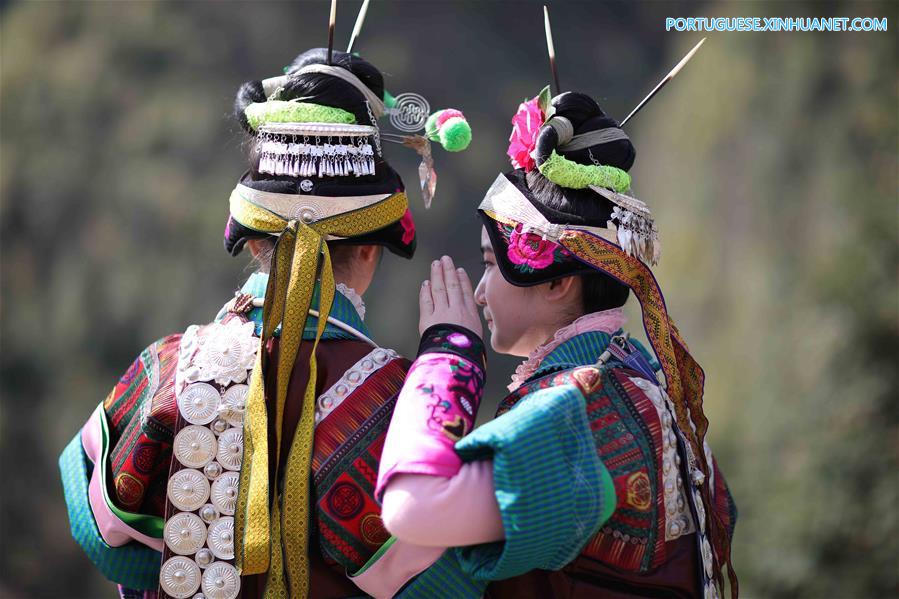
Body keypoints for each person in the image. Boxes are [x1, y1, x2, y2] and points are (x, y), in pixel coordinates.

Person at [59, 47, 470, 599]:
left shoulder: (167, 366)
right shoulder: (396, 399)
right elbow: (445, 578)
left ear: (253, 242)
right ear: (371, 250)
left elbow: (102, 531)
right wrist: (452, 359)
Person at [363, 90, 738, 598]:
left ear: (558, 281)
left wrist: (447, 355)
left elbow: (413, 508)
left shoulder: (579, 405)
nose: (479, 291)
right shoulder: (639, 382)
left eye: (490, 264)